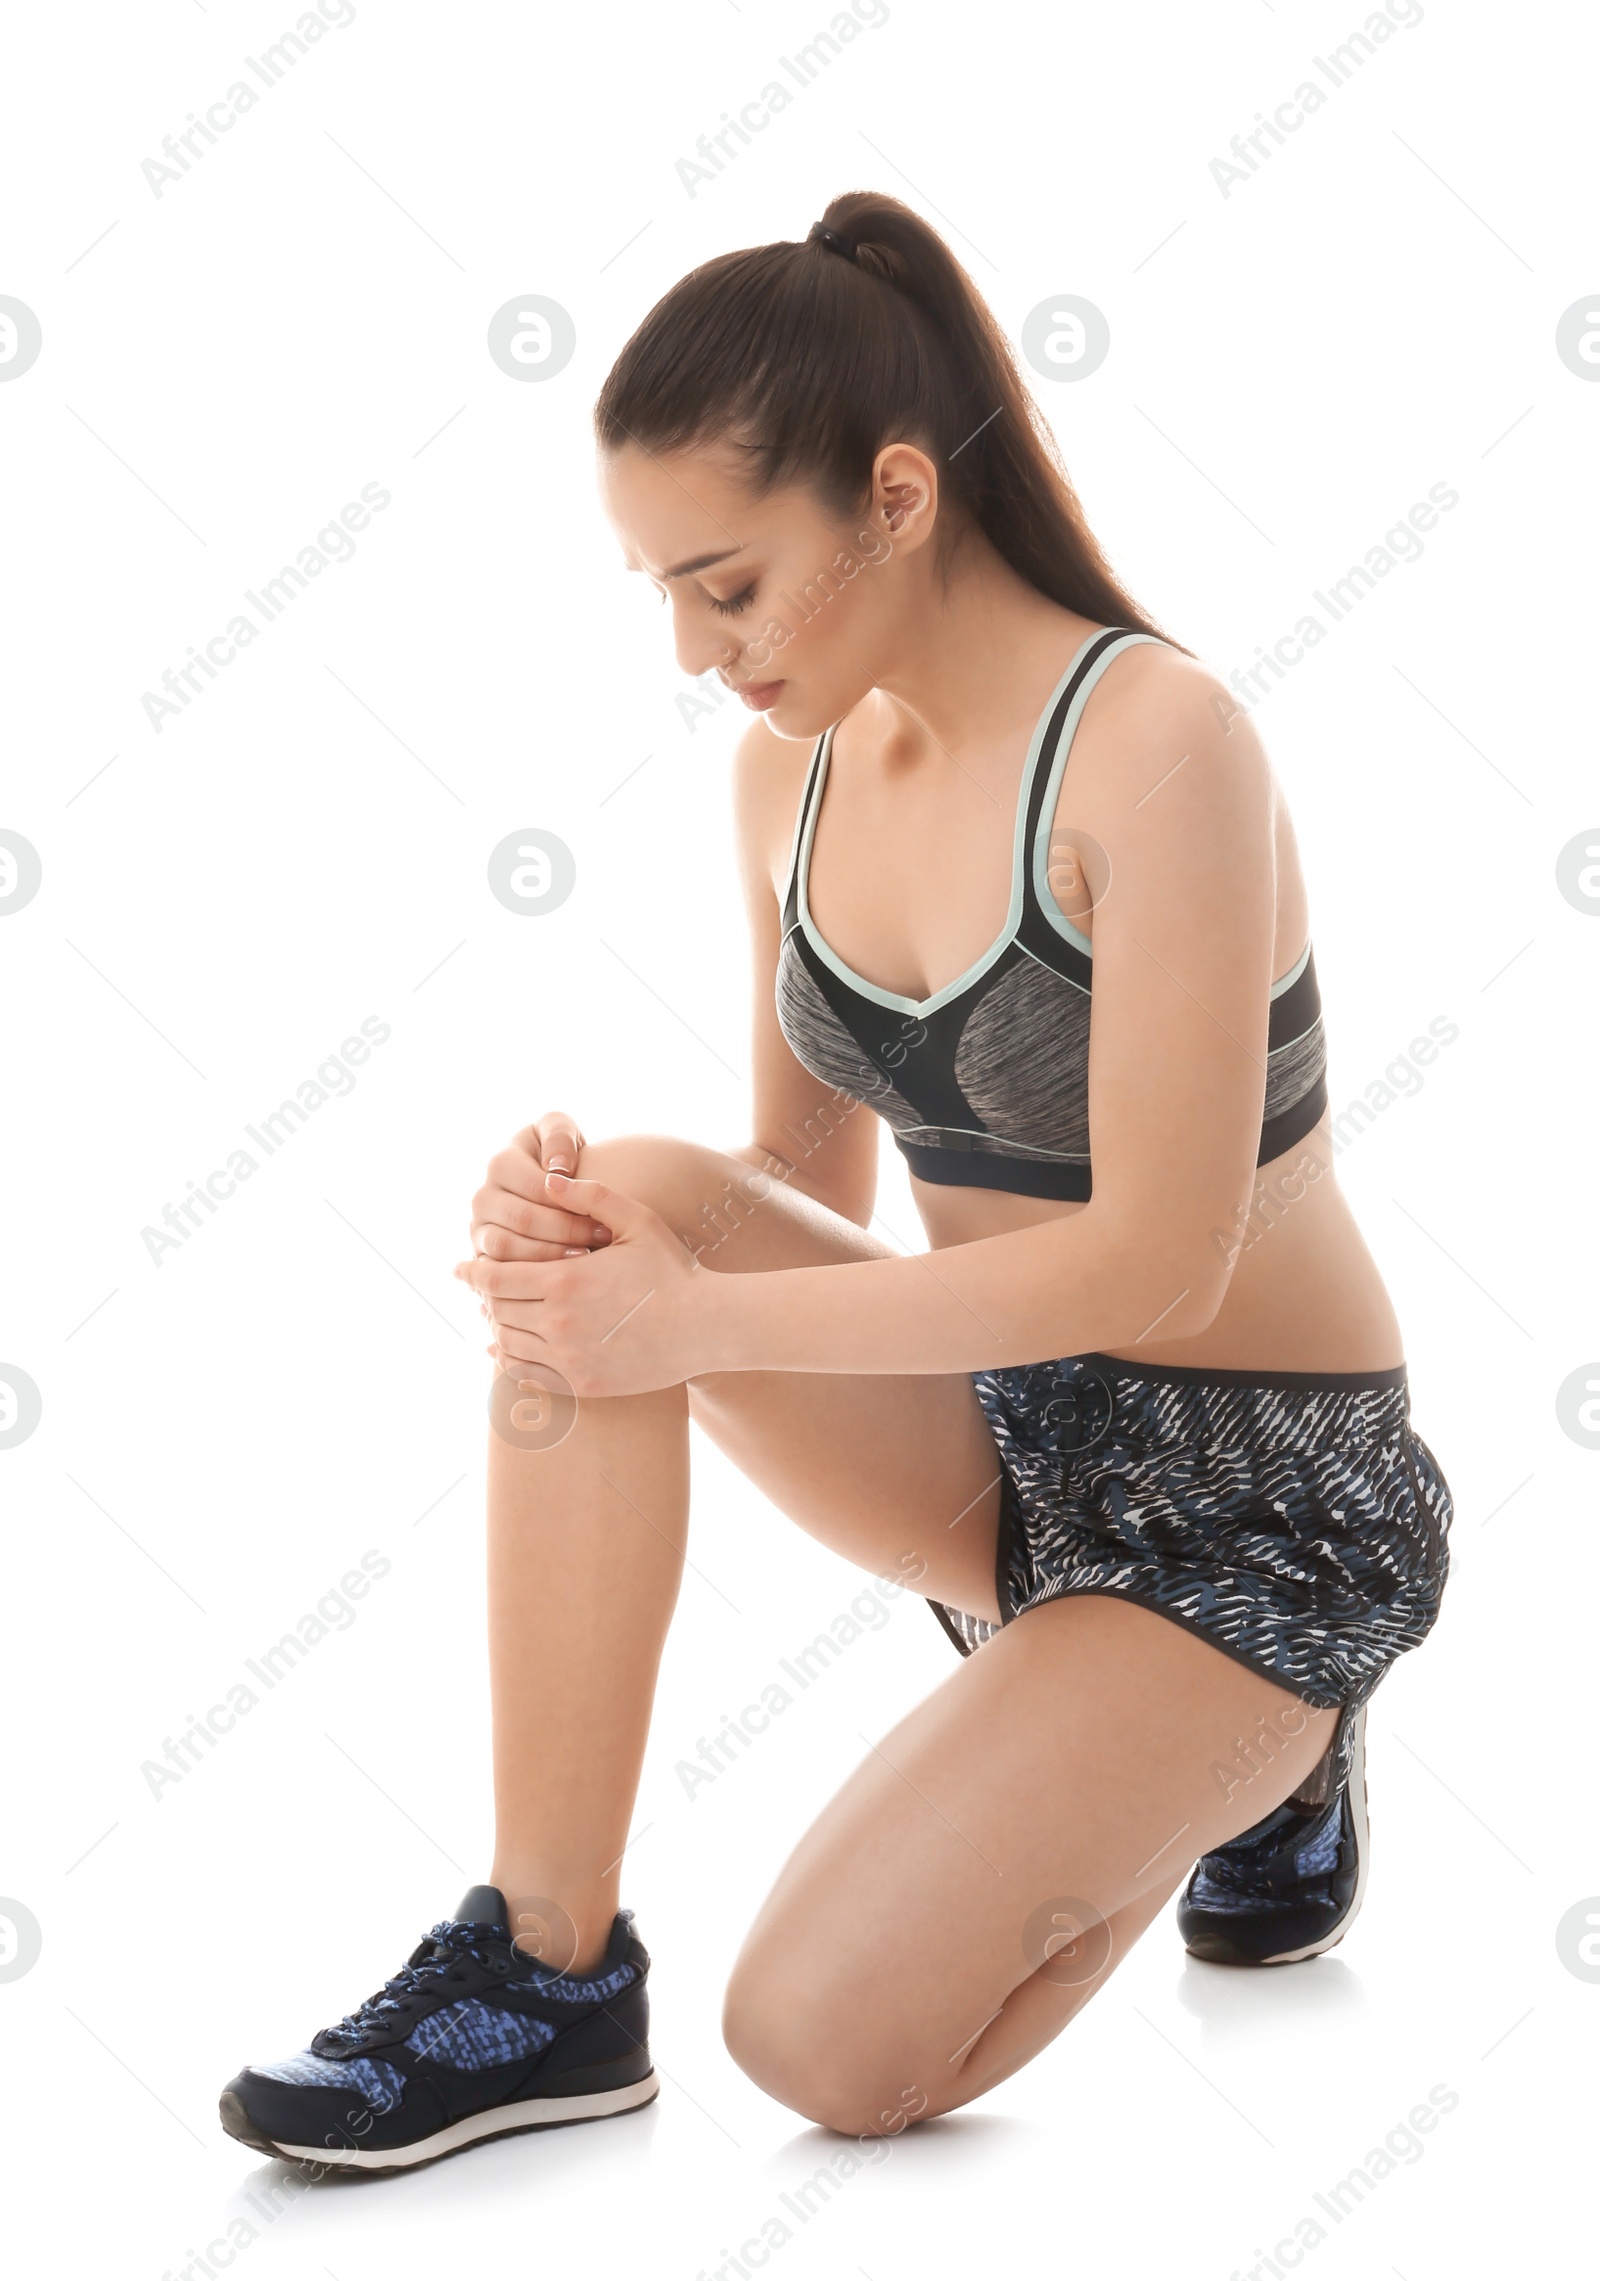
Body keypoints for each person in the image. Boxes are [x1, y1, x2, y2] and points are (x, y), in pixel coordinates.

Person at [220, 192, 1452, 2174]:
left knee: (819, 2043)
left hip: (1259, 1504)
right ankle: (545, 1968)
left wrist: (699, 1315)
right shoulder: (781, 777)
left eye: (723, 586)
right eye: (659, 595)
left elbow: (1156, 1252)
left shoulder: (1150, 747)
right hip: (1014, 1454)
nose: (696, 653)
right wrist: (602, 1235)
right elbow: (801, 1180)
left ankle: (1262, 1751)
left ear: (893, 496)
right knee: (616, 1206)